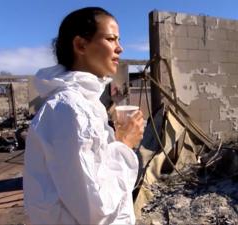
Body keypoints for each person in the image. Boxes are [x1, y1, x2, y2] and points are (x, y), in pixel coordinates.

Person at [23, 7, 144, 225]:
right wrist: (124, 145)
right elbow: (96, 209)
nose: (120, 48)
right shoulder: (71, 109)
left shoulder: (80, 104)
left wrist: (113, 143)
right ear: (81, 45)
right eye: (111, 39)